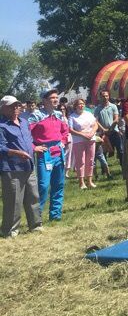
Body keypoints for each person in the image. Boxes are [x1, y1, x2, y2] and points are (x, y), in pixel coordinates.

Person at [0, 96, 43, 238]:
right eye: (12, 106)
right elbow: (1, 147)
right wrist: (16, 153)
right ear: (3, 108)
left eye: (17, 105)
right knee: (13, 200)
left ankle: (35, 225)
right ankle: (10, 231)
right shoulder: (1, 125)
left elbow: (28, 140)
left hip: (29, 165)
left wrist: (34, 148)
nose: (16, 108)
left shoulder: (24, 122)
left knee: (33, 196)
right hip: (12, 168)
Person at [28, 89, 69, 222]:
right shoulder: (36, 116)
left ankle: (55, 215)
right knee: (43, 186)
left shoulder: (58, 114)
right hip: (44, 154)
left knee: (59, 184)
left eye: (57, 97)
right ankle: (36, 217)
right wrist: (35, 147)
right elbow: (25, 134)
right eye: (52, 97)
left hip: (59, 153)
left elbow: (65, 130)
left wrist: (63, 141)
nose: (56, 99)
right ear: (44, 100)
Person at [68, 97, 98, 189]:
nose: (81, 106)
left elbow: (95, 124)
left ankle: (89, 181)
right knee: (80, 161)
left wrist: (92, 132)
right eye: (79, 104)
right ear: (75, 106)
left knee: (90, 160)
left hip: (91, 139)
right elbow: (70, 129)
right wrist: (82, 134)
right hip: (79, 141)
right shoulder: (72, 116)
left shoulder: (89, 114)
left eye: (82, 104)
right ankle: (81, 182)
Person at [94, 89, 123, 166]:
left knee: (120, 150)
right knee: (104, 152)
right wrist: (103, 129)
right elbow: (96, 121)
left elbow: (116, 119)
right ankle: (104, 170)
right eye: (103, 96)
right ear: (100, 97)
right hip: (103, 134)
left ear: (109, 96)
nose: (105, 97)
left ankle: (123, 168)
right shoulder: (97, 109)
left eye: (106, 96)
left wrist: (110, 129)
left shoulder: (113, 106)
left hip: (114, 131)